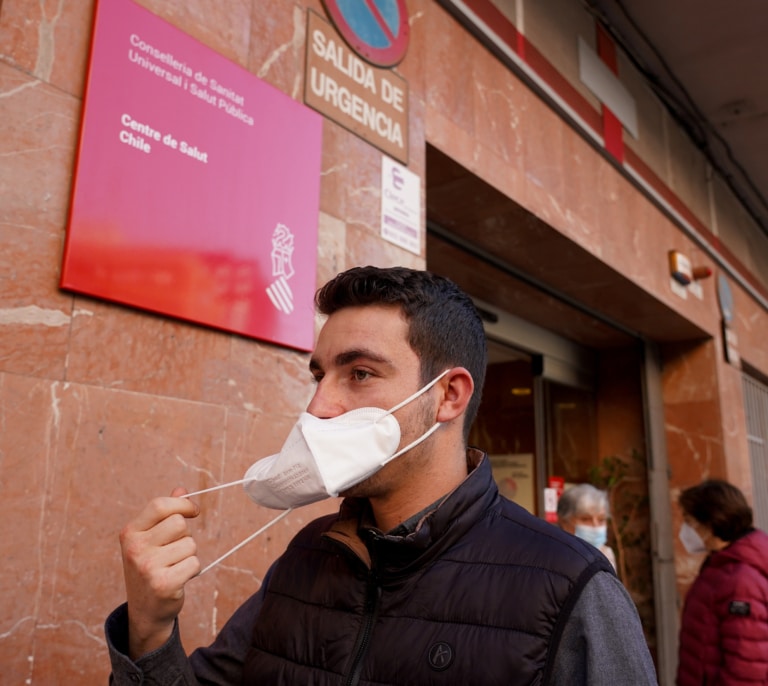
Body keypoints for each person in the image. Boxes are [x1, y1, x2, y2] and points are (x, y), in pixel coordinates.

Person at [106, 266, 657, 685]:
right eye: (320, 375)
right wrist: (150, 630)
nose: (318, 407)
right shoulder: (309, 556)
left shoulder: (569, 587)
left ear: (447, 396)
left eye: (360, 373)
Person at [676, 479, 768, 686]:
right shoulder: (721, 564)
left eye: (689, 522)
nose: (685, 530)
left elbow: (746, 667)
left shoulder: (740, 580)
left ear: (710, 523)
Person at [557, 483, 617, 570]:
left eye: (601, 519)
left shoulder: (607, 554)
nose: (595, 526)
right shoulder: (553, 556)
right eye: (585, 519)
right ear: (564, 522)